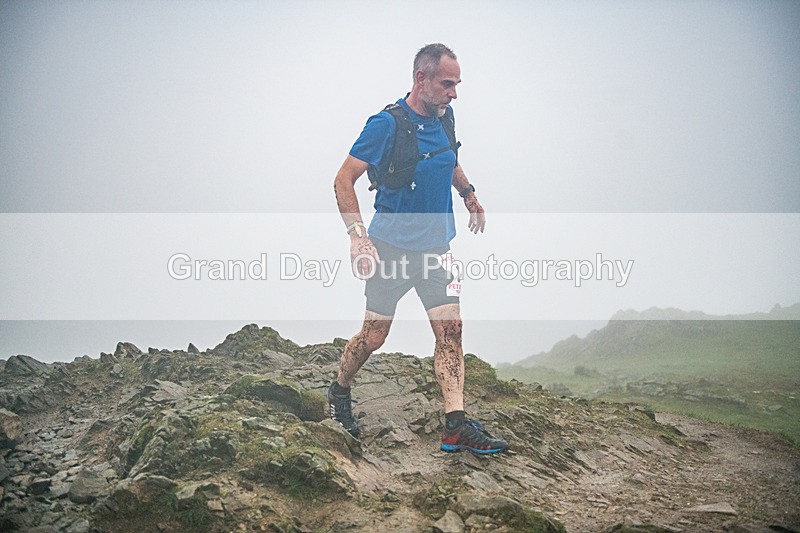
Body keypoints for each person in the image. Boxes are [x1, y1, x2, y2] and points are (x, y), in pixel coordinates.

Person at [330, 43, 508, 454]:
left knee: (451, 331)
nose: (454, 93)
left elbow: (449, 159)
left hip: (437, 249)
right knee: (374, 336)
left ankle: (455, 426)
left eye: (457, 84)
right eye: (447, 84)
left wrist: (468, 194)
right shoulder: (386, 124)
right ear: (421, 79)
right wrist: (358, 236)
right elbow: (343, 180)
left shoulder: (445, 118)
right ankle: (339, 390)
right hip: (389, 250)